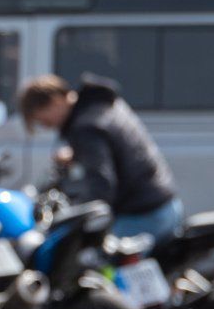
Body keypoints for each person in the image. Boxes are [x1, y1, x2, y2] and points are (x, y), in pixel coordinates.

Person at [17, 74, 181, 241]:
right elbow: (116, 147)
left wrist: (74, 216)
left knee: (92, 262)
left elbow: (101, 184)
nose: (47, 127)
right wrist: (78, 154)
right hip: (164, 204)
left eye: (45, 121)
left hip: (140, 216)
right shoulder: (100, 103)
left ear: (55, 100)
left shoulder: (85, 127)